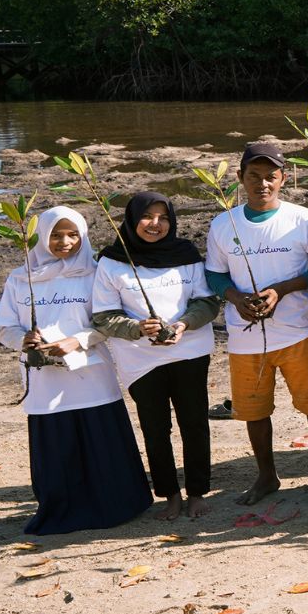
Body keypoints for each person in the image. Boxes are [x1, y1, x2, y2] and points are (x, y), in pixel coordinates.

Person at [0, 206, 152, 535]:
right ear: (39, 236)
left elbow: (106, 323)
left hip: (91, 374)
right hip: (44, 379)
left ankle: (118, 506)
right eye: (55, 234)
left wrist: (77, 341)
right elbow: (3, 327)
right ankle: (62, 511)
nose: (64, 241)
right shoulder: (20, 277)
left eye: (72, 234)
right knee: (56, 444)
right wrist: (22, 339)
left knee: (102, 441)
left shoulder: (96, 274)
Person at [204, 141, 308, 505]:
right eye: (254, 176)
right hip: (244, 337)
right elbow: (214, 274)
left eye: (271, 177)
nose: (263, 183)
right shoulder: (222, 223)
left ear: (283, 179)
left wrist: (281, 289)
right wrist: (235, 298)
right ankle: (266, 476)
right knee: (253, 411)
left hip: (296, 330)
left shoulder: (303, 218)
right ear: (240, 178)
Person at [91, 192, 221, 520]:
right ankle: (170, 495)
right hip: (140, 359)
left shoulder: (187, 253)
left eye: (163, 217)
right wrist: (138, 327)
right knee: (154, 427)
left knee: (194, 423)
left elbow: (207, 302)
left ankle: (196, 493)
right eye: (148, 216)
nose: (156, 224)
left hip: (189, 351)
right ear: (133, 220)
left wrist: (183, 324)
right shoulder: (112, 259)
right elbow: (103, 316)